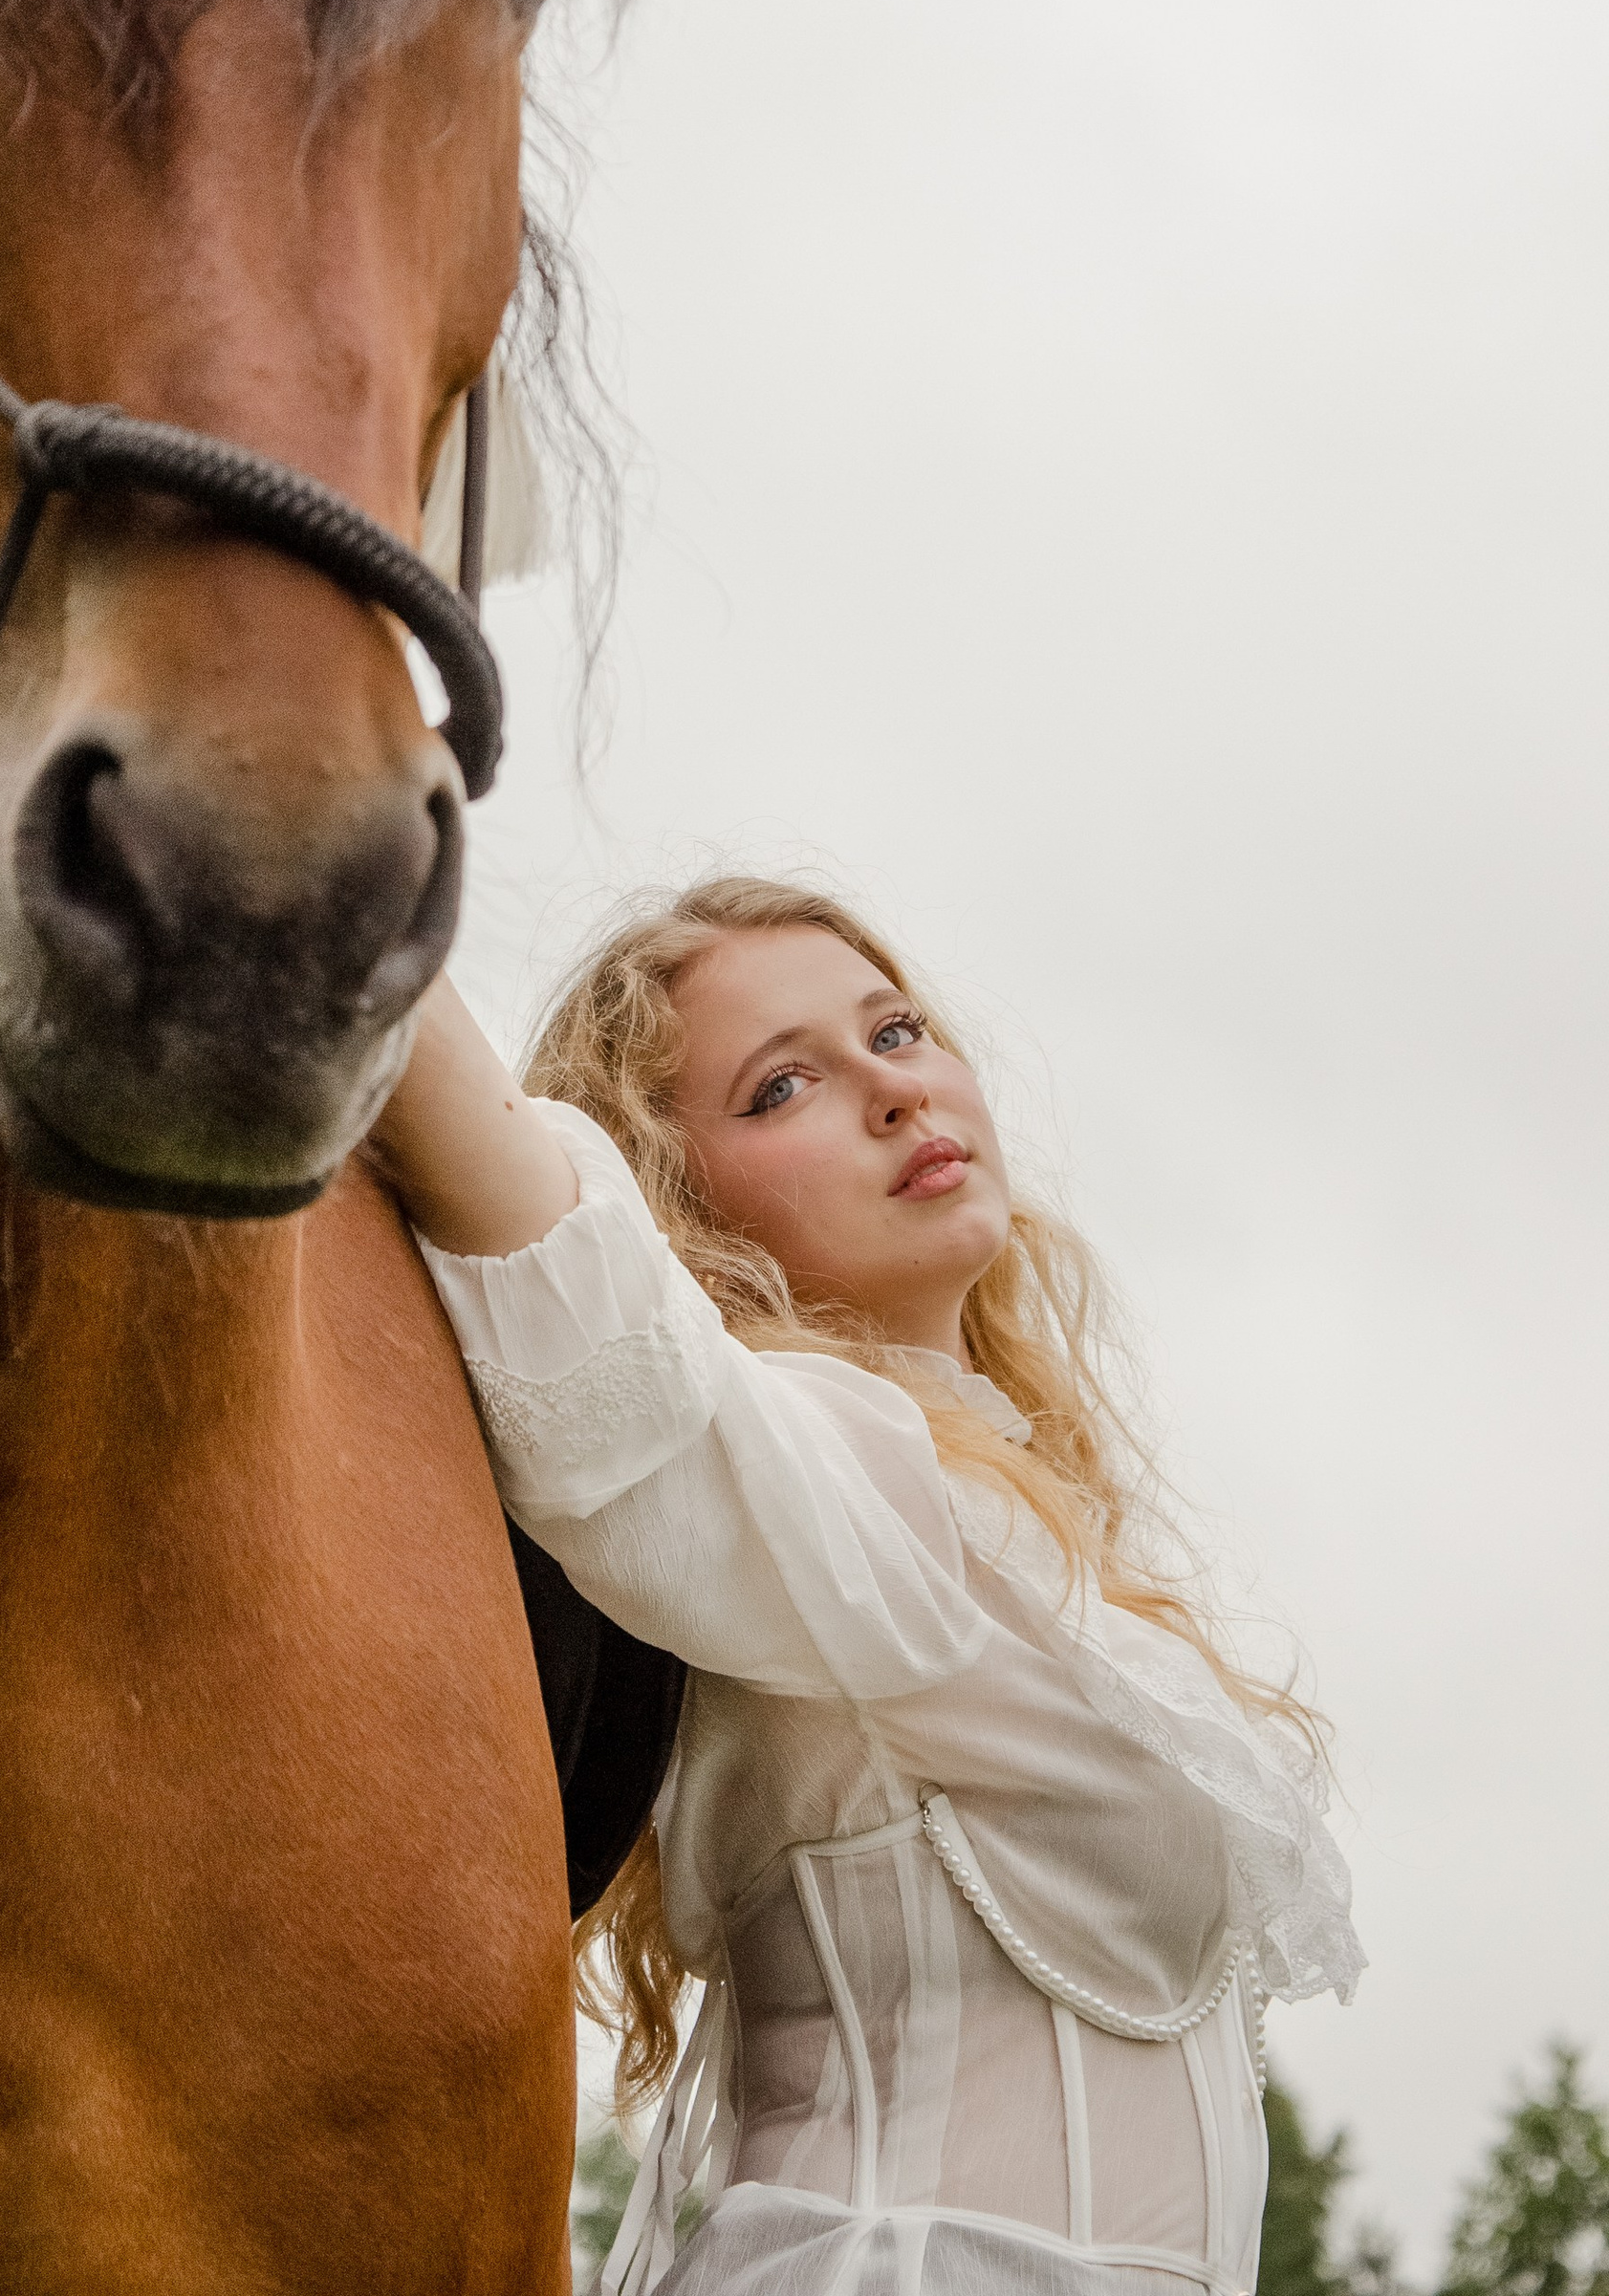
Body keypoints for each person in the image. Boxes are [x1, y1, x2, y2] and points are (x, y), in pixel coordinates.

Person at [365, 877, 1359, 2296]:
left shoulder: (984, 1509)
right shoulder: (838, 1470)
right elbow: (601, 1344)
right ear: (677, 1210)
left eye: (896, 1029)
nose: (894, 1092)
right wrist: (318, 864)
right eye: (782, 1087)